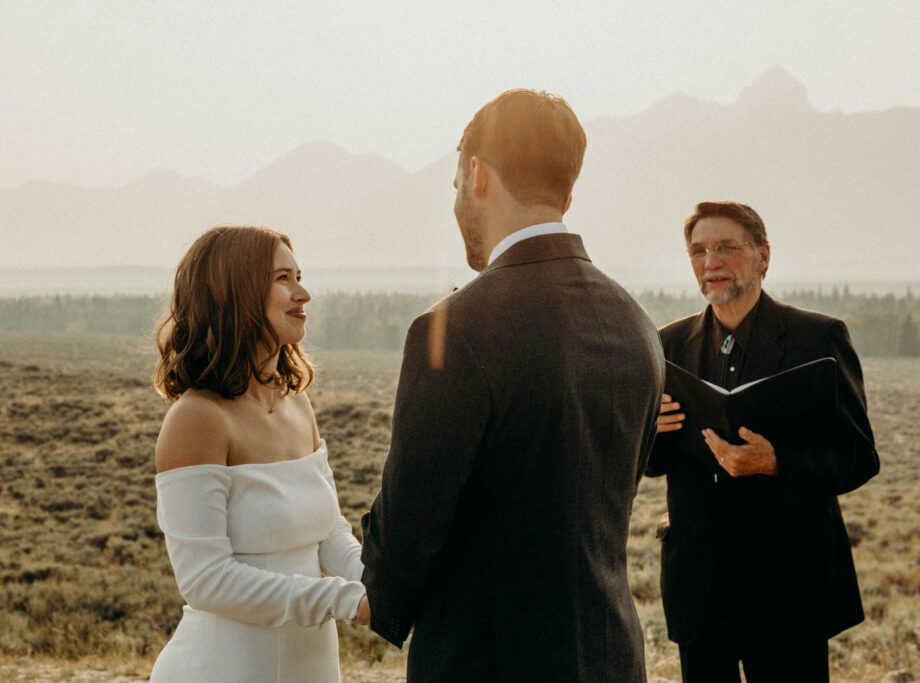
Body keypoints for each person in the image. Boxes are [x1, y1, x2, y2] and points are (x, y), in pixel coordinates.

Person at [359, 89, 666, 682]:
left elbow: (410, 527)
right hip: (611, 659)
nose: (455, 201)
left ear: (476, 175)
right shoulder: (636, 324)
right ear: (567, 194)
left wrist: (371, 588)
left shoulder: (454, 329)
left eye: (453, 185)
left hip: (488, 663)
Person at [649, 201, 879, 682]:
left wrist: (777, 463)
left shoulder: (818, 338)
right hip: (699, 589)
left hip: (789, 588)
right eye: (699, 250)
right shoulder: (666, 346)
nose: (711, 261)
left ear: (763, 257)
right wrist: (648, 432)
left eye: (727, 247)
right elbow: (651, 463)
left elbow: (858, 457)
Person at [149, 226, 369, 682]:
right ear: (234, 293)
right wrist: (345, 601)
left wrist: (381, 584)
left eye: (299, 276)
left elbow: (328, 530)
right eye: (282, 279)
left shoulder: (297, 404)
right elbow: (206, 580)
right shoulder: (198, 419)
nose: (302, 293)